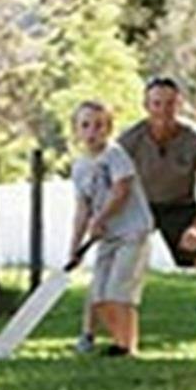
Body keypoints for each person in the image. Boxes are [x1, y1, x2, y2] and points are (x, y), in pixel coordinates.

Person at [116, 76, 196, 346]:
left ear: (179, 104)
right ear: (146, 105)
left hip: (180, 205)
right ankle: (95, 334)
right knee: (116, 266)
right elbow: (113, 182)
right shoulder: (130, 140)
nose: (163, 110)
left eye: (170, 103)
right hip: (139, 205)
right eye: (157, 103)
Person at [65, 100, 155, 357]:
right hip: (107, 236)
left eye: (99, 125)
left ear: (109, 129)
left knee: (119, 292)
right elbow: (82, 209)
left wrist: (101, 218)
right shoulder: (80, 166)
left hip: (132, 232)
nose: (93, 131)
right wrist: (74, 249)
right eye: (86, 125)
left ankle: (128, 347)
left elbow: (121, 190)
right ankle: (118, 343)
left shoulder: (115, 155)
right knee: (99, 295)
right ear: (76, 130)